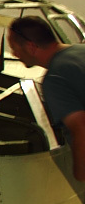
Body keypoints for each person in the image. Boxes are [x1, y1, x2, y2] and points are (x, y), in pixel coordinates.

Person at [7, 16, 85, 182]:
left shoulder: (55, 77)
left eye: (14, 48)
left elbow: (80, 129)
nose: (14, 54)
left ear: (30, 46)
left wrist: (80, 174)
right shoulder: (81, 51)